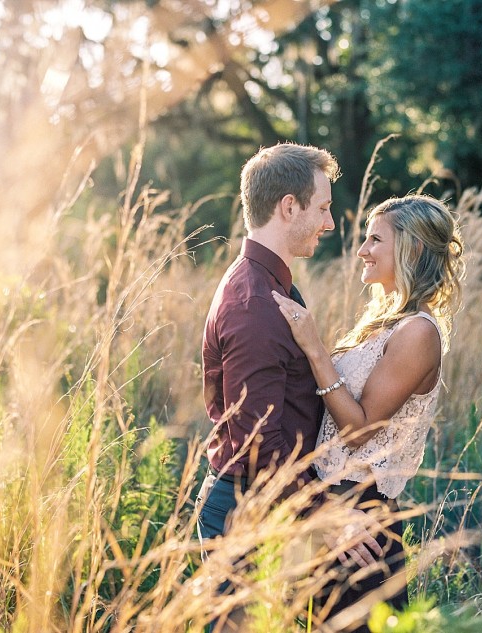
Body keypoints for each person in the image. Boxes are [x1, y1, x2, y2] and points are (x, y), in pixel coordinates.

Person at [197, 143, 383, 624]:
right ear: (288, 207)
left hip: (267, 510)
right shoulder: (254, 302)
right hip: (244, 515)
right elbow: (260, 444)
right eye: (322, 208)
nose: (330, 222)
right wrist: (329, 517)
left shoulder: (270, 286)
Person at [272, 194, 465, 632]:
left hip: (363, 513)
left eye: (375, 239)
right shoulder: (383, 322)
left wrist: (314, 347)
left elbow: (359, 431)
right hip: (333, 511)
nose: (362, 250)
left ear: (411, 249)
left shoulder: (418, 333)